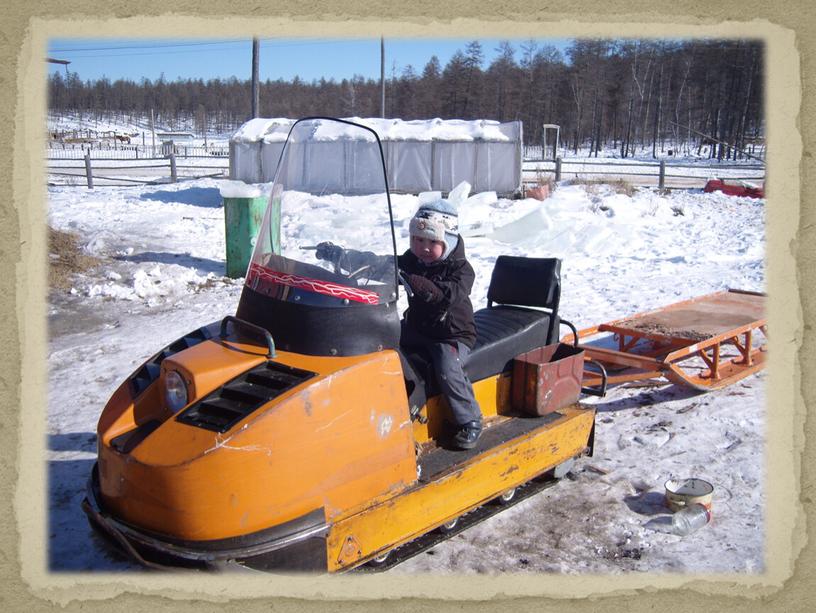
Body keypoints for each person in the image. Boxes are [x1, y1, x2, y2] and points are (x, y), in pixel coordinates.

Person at [314, 199, 483, 450]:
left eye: (432, 242)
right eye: (418, 240)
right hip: (418, 328)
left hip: (451, 336)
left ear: (447, 242)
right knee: (380, 341)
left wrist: (423, 286)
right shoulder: (413, 260)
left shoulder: (461, 270)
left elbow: (448, 296)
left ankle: (469, 419)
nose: (423, 247)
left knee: (447, 366)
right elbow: (380, 263)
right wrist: (343, 256)